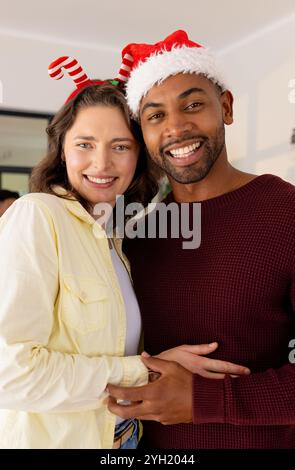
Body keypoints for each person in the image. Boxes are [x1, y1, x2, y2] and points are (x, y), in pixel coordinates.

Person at [0, 56, 248, 449]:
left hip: (126, 439)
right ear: (62, 150)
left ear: (139, 157)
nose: (102, 163)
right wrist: (145, 371)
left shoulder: (117, 238)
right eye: (84, 144)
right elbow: (7, 374)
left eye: (120, 146)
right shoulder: (38, 215)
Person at [107, 30, 295, 449]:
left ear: (225, 107)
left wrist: (203, 400)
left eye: (193, 104)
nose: (176, 127)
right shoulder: (134, 233)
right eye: (155, 116)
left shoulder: (286, 212)